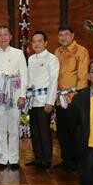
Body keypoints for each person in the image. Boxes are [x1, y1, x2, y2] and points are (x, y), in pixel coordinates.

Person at [0, 26, 28, 170]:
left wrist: (22, 95)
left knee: (14, 128)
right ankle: (3, 158)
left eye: (6, 35)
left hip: (14, 94)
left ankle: (14, 158)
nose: (3, 37)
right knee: (0, 128)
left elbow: (24, 75)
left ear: (10, 37)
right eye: (0, 35)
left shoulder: (18, 53)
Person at [54, 25, 90, 171]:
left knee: (75, 130)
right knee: (61, 130)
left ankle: (77, 160)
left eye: (66, 35)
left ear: (72, 35)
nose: (63, 38)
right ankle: (66, 159)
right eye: (61, 35)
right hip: (59, 98)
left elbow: (82, 76)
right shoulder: (57, 51)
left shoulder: (81, 51)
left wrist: (77, 97)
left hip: (74, 98)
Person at [25, 31, 59, 170]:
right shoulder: (31, 59)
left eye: (39, 41)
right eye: (34, 41)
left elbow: (53, 80)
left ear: (45, 43)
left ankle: (46, 159)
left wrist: (50, 101)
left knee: (44, 131)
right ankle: (38, 157)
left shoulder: (52, 59)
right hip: (33, 100)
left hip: (44, 100)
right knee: (34, 131)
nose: (37, 44)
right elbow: (28, 80)